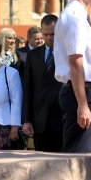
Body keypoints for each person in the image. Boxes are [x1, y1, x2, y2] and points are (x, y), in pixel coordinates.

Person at [55, 0, 91, 153]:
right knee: (79, 157)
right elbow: (75, 63)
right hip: (78, 93)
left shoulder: (79, 15)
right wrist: (82, 104)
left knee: (85, 153)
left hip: (81, 91)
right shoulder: (74, 17)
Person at [21, 14, 63, 152]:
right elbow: (28, 88)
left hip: (62, 117)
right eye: (46, 34)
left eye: (53, 34)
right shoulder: (33, 56)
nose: (49, 38)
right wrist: (26, 120)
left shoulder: (67, 54)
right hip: (40, 120)